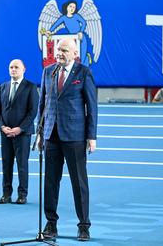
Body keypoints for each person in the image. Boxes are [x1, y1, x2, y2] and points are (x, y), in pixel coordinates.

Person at [37, 38, 97, 241]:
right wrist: (39, 133)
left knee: (79, 182)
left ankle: (83, 226)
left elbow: (92, 107)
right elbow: (43, 104)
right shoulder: (48, 71)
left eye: (64, 50)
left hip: (75, 136)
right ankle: (51, 223)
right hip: (51, 135)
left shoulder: (84, 73)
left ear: (74, 53)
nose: (59, 53)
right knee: (51, 182)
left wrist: (91, 136)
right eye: (57, 50)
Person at [0, 59, 39, 204]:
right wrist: (2, 127)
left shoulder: (31, 87)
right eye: (11, 67)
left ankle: (22, 195)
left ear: (24, 69)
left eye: (16, 67)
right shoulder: (3, 87)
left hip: (22, 134)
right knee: (6, 164)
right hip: (6, 133)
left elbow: (32, 112)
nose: (13, 69)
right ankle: (6, 194)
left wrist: (19, 129)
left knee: (22, 165)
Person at [46, 0, 90, 66]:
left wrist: (81, 31)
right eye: (70, 6)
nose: (72, 8)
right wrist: (50, 31)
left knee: (81, 56)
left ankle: (86, 59)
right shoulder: (63, 18)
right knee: (74, 56)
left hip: (81, 38)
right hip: (73, 40)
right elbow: (56, 24)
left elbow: (84, 22)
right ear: (67, 7)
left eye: (74, 7)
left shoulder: (76, 16)